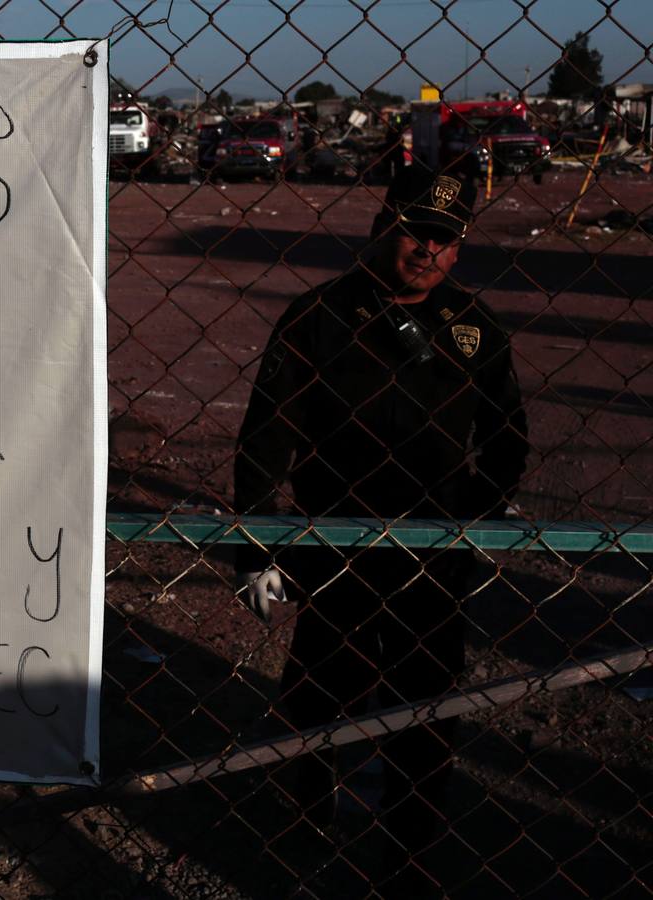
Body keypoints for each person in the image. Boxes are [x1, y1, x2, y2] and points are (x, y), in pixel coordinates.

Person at [233, 167, 528, 889]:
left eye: (445, 239)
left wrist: (478, 519)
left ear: (458, 249)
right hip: (333, 554)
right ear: (381, 228)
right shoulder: (317, 318)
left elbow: (507, 439)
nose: (427, 250)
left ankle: (408, 853)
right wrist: (255, 550)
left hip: (432, 560)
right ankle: (307, 825)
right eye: (414, 232)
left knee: (426, 716)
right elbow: (264, 440)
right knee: (315, 705)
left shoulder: (474, 328)